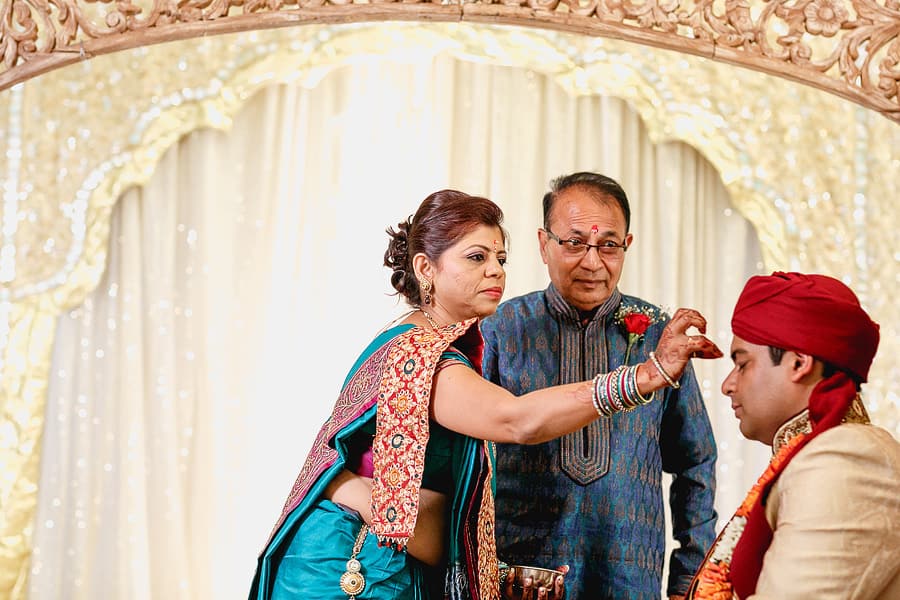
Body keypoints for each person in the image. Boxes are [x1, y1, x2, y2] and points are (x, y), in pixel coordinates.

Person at [249, 189, 723, 600]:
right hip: (355, 568)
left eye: (500, 259)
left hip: (393, 561)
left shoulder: (433, 342)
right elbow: (516, 420)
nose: (495, 271)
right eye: (476, 258)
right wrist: (643, 377)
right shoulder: (424, 354)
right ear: (425, 268)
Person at [480, 172, 719, 600]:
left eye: (608, 244)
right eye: (574, 243)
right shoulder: (501, 329)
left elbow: (695, 462)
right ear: (543, 244)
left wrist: (690, 576)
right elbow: (466, 459)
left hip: (628, 575)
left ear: (627, 246)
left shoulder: (657, 336)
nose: (592, 261)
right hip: (520, 576)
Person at [686, 271, 900, 599]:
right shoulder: (814, 454)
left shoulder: (848, 458)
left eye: (742, 364)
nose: (728, 384)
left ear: (799, 364)